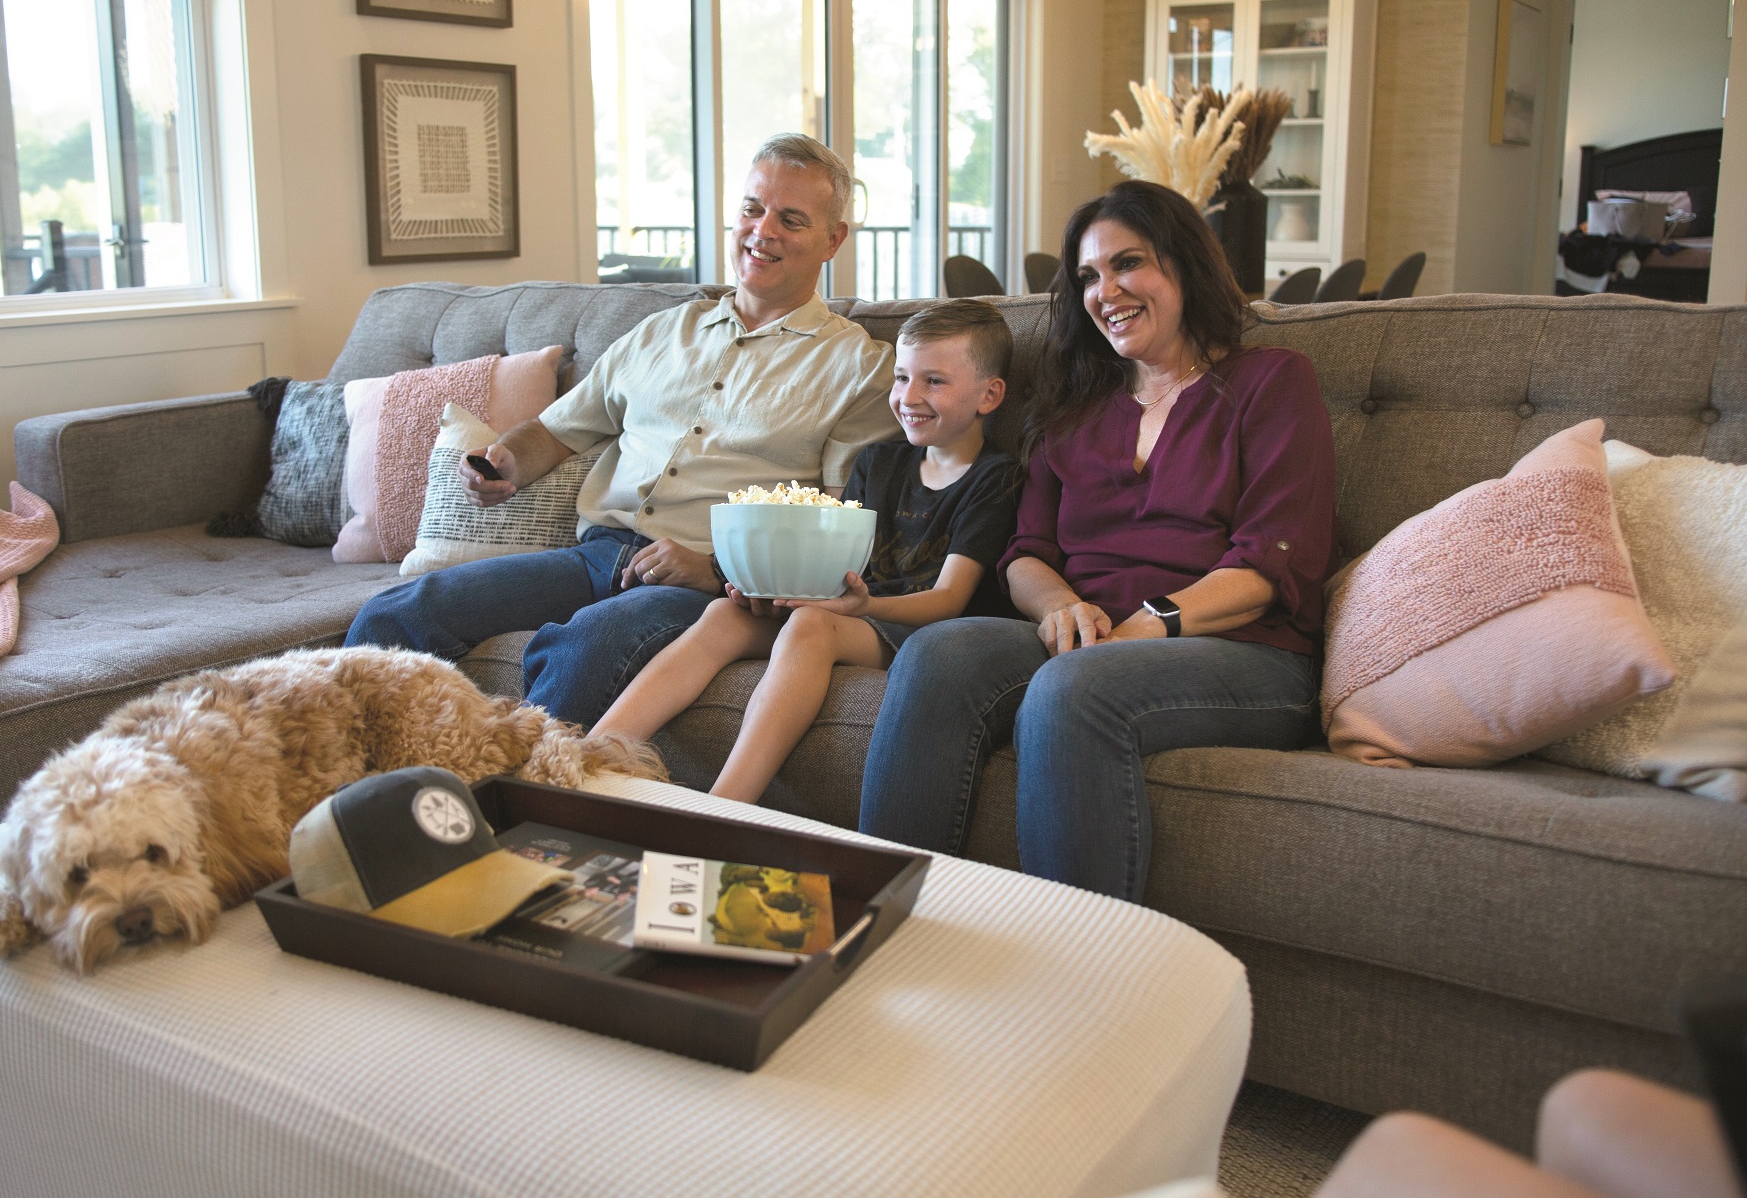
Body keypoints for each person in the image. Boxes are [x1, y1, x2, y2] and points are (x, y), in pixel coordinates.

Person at [857, 180, 1338, 900]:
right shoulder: (1075, 404)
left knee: (1072, 688)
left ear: (1184, 265)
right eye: (1088, 275)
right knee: (940, 652)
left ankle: (1082, 980)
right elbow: (1027, 553)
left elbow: (1271, 562)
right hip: (1093, 634)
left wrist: (1154, 621)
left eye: (1128, 263)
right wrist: (1056, 605)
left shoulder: (1272, 381)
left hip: (1243, 650)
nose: (1105, 290)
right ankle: (883, 923)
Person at [345, 135, 898, 730]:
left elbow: (841, 528)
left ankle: (526, 813)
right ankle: (367, 803)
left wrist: (717, 568)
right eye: (751, 209)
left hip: (709, 590)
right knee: (394, 615)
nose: (762, 232)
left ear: (833, 239)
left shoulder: (863, 368)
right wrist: (507, 460)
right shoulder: (662, 330)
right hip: (597, 555)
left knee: (586, 647)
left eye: (791, 220)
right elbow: (558, 431)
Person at [593, 300, 1024, 802]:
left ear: (989, 395)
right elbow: (839, 561)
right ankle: (592, 758)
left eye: (934, 381)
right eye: (902, 378)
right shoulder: (879, 461)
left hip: (926, 630)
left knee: (811, 625)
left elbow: (949, 598)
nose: (909, 396)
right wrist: (772, 586)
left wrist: (855, 607)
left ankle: (726, 805)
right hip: (853, 611)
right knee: (722, 614)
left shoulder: (997, 477)